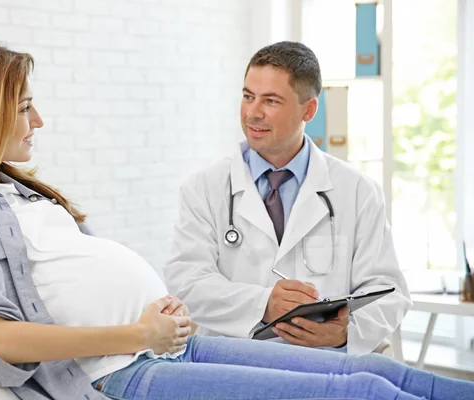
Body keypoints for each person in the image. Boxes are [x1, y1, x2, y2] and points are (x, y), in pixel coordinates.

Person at [0, 40, 472, 400]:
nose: (39, 120)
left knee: (379, 370)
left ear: (307, 110)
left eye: (271, 100)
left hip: (178, 347)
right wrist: (140, 333)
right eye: (25, 106)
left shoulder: (20, 193)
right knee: (364, 392)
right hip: (127, 369)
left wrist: (163, 318)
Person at [163, 41, 411, 354]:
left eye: (271, 101)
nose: (253, 113)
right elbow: (185, 283)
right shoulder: (204, 188)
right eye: (248, 96)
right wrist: (263, 303)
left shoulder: (359, 191)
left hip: (326, 367)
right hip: (233, 364)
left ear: (308, 109)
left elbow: (388, 291)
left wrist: (344, 334)